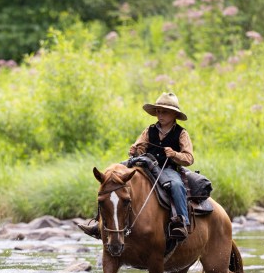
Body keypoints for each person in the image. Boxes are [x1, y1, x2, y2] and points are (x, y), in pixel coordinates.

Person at [79, 92, 194, 240]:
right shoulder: (149, 130)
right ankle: (99, 223)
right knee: (109, 178)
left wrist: (175, 155)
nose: (160, 115)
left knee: (177, 185)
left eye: (164, 112)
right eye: (158, 111)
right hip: (145, 165)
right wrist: (134, 150)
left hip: (167, 169)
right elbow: (139, 147)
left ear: (174, 114)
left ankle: (182, 222)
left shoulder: (181, 134)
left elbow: (189, 158)